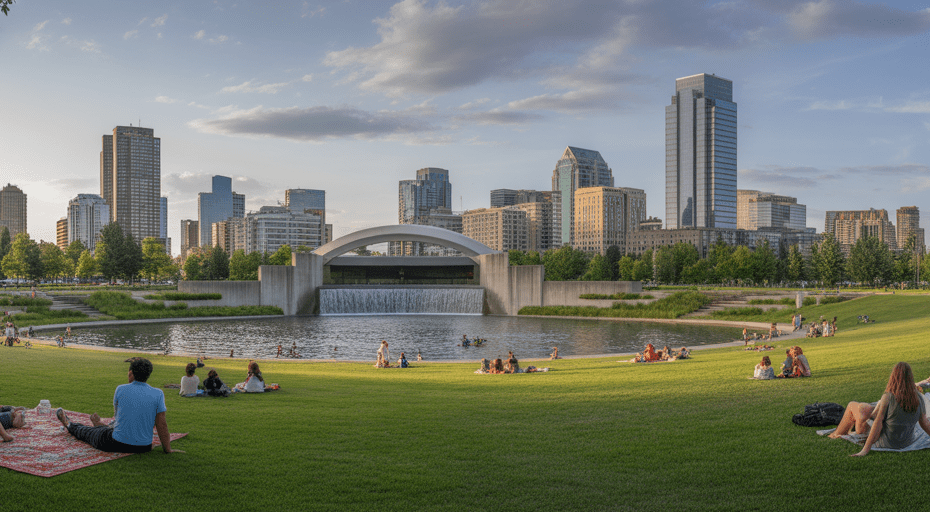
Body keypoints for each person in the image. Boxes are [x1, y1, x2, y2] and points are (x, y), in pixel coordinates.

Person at [54, 357, 182, 453]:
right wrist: (168, 450)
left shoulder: (121, 389)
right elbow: (161, 424)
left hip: (115, 443)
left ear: (131, 373)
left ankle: (70, 425)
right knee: (105, 429)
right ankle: (100, 426)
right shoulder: (158, 393)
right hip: (144, 447)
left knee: (88, 432)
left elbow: (118, 417)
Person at [829, 362, 930, 456]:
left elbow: (877, 424)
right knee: (863, 409)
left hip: (886, 442)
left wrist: (865, 449)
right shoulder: (918, 397)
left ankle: (836, 434)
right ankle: (839, 432)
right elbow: (925, 423)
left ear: (893, 377)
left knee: (854, 406)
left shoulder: (888, 397)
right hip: (906, 442)